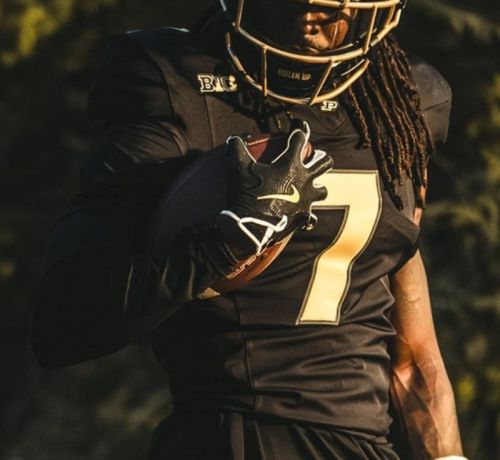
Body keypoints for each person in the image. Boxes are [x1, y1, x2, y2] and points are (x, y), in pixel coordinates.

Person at [30, 0, 466, 459]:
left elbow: (413, 359)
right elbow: (60, 323)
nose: (310, 16)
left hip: (365, 447)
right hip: (232, 438)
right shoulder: (177, 83)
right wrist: (220, 245)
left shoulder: (401, 99)